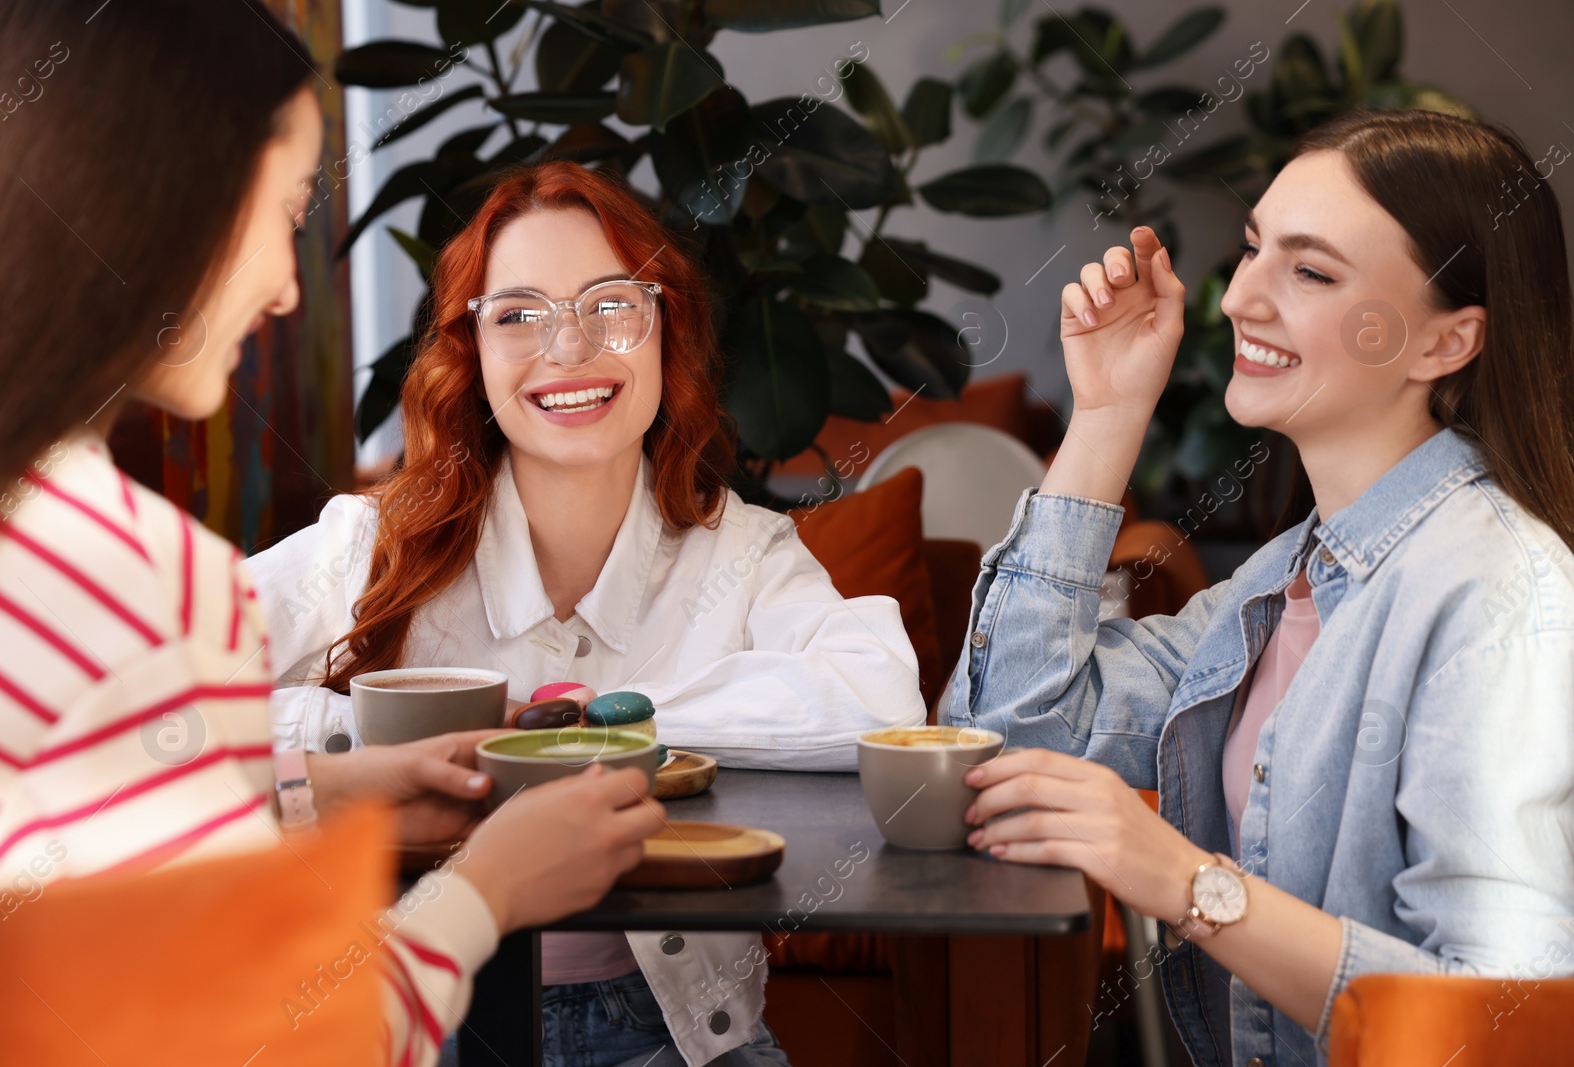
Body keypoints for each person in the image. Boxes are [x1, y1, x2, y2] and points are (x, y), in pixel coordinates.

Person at [0, 4, 664, 1066]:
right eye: (288, 209)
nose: (291, 288)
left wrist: (309, 789)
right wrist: (489, 889)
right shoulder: (133, 576)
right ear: (163, 197)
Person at [245, 157, 925, 1067]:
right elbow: (142, 706)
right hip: (417, 1020)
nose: (569, 349)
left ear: (663, 330)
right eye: (519, 315)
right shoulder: (373, 543)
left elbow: (880, 701)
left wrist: (592, 736)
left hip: (671, 1034)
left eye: (611, 304)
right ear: (471, 349)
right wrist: (380, 745)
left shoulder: (744, 551)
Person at [942, 108, 1574, 1066]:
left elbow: (1498, 1019)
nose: (1239, 298)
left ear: (1447, 342)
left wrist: (1185, 878)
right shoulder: (1288, 578)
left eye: (1311, 271)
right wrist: (1110, 412)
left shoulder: (1498, 598)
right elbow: (1010, 736)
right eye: (1251, 251)